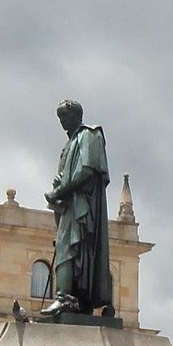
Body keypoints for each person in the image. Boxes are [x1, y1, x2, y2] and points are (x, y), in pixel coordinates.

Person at [41, 100, 112, 317]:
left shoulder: (89, 135)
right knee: (69, 249)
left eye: (65, 116)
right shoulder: (71, 141)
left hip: (81, 206)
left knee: (66, 248)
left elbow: (86, 170)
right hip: (70, 205)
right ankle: (74, 298)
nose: (62, 122)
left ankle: (64, 298)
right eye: (60, 117)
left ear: (76, 116)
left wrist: (60, 191)